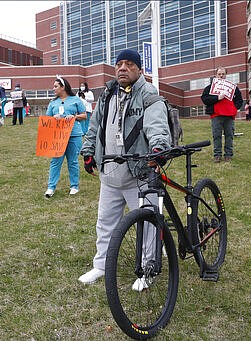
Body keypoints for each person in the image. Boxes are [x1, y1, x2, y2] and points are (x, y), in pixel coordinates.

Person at [78, 49, 171, 287]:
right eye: (119, 64)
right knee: (105, 223)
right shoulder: (108, 93)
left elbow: (157, 123)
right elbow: (95, 125)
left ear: (140, 69)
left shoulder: (148, 93)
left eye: (129, 64)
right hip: (110, 173)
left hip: (139, 172)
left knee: (148, 225)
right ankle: (101, 265)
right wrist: (88, 152)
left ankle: (148, 269)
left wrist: (159, 147)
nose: (122, 68)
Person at [44, 76, 86, 197]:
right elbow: (47, 120)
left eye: (56, 86)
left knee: (72, 161)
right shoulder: (53, 103)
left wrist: (74, 117)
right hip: (58, 136)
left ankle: (74, 186)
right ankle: (51, 187)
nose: (53, 89)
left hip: (74, 134)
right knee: (55, 161)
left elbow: (84, 116)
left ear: (63, 87)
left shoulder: (75, 100)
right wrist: (54, 118)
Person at [201, 67, 243, 162]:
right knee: (217, 135)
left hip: (229, 115)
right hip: (216, 114)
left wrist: (235, 108)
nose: (221, 76)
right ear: (216, 75)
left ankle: (228, 155)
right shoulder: (210, 87)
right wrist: (217, 98)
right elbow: (204, 99)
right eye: (219, 74)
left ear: (226, 75)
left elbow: (240, 99)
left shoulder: (233, 88)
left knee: (229, 135)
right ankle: (217, 155)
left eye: (223, 74)